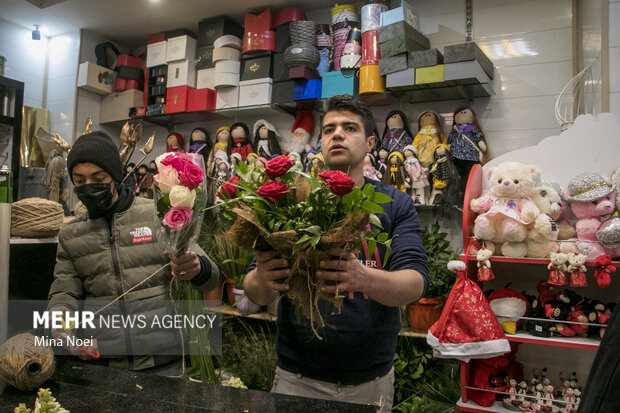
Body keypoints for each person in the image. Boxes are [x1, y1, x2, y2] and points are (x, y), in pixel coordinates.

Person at [243, 95, 429, 411]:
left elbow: (416, 283)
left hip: (370, 384)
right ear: (321, 142)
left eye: (349, 128)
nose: (337, 134)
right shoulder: (290, 200)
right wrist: (262, 277)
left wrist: (363, 278)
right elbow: (252, 292)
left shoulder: (395, 204)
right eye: (328, 129)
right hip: (296, 379)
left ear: (370, 141)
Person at [47, 131, 219, 375]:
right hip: (104, 366)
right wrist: (61, 324)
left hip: (165, 364)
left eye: (98, 178)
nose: (89, 186)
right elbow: (64, 292)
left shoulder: (159, 213)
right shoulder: (70, 235)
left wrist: (196, 267)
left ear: (115, 177)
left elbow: (211, 275)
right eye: (79, 179)